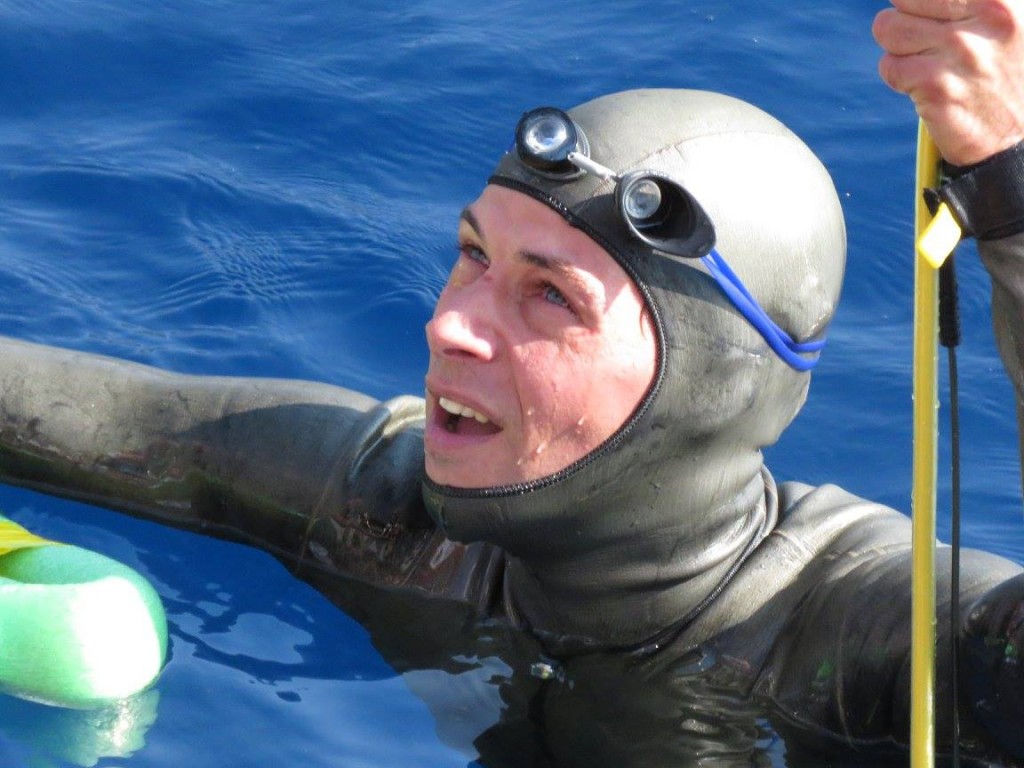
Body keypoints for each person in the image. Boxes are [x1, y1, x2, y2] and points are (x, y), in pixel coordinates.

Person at [2, 0, 1024, 764]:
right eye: (472, 254)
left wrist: (1011, 197)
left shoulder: (862, 638)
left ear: (711, 383)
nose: (451, 321)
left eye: (549, 298)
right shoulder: (393, 517)